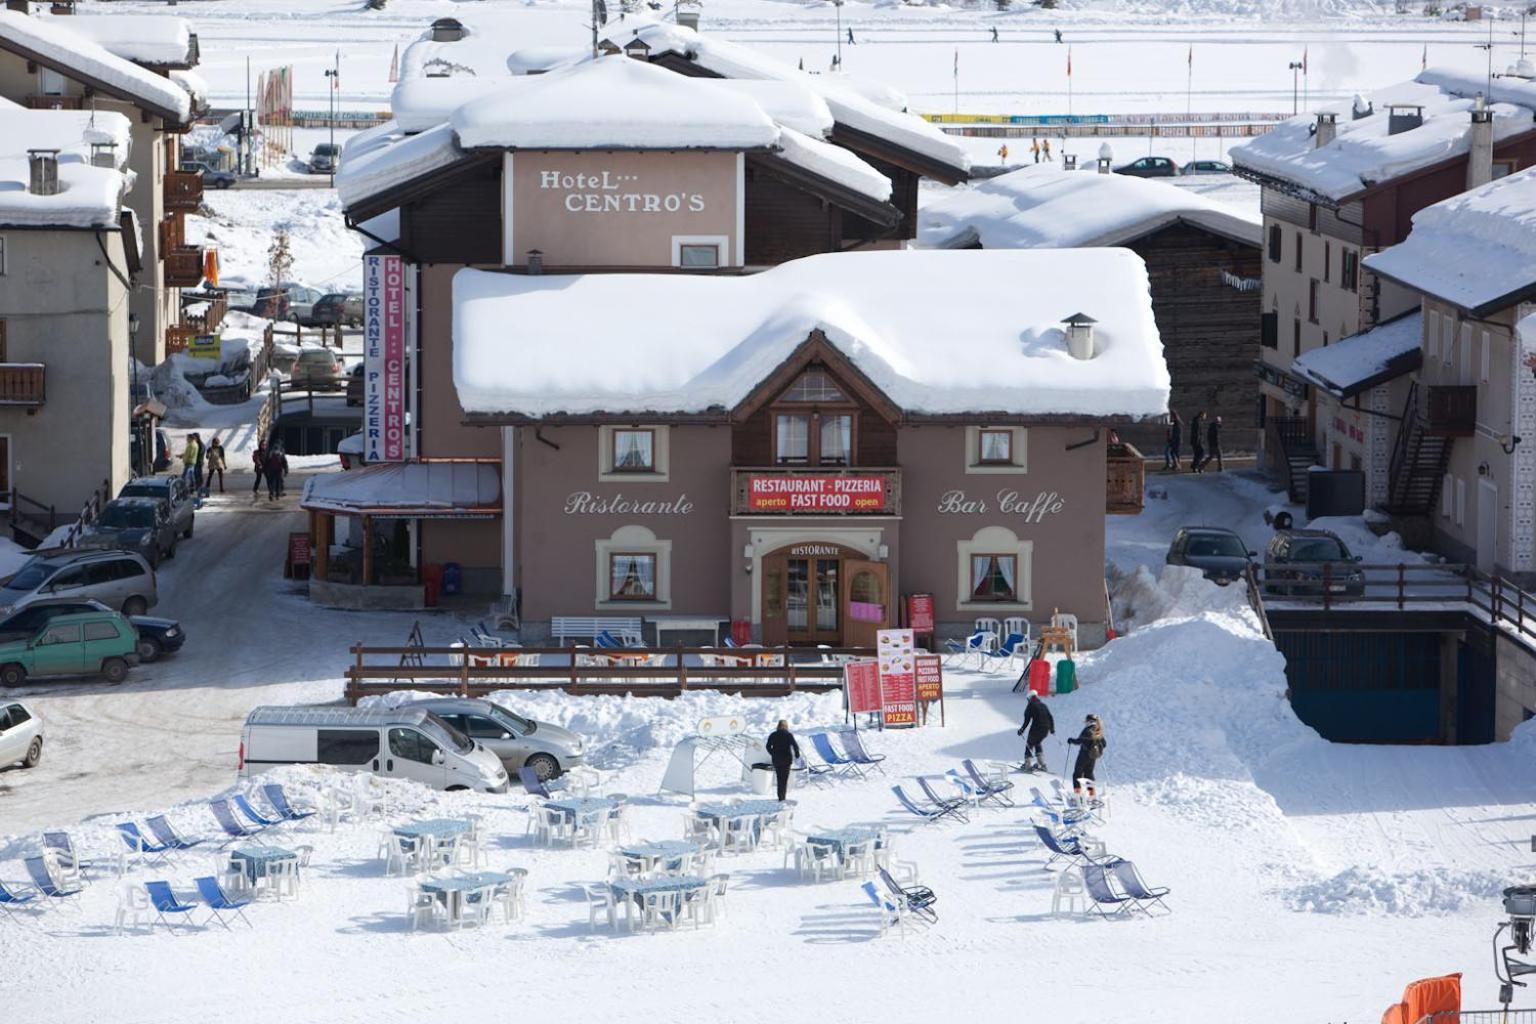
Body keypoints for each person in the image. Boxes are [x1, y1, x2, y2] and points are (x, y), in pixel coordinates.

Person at [1065, 713, 1106, 797]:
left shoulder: (1087, 730)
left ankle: (1078, 795)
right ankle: (1092, 795)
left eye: (1086, 721)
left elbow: (1079, 741)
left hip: (1083, 756)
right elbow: (1104, 744)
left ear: (1089, 721)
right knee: (1089, 774)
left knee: (1077, 774)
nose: (1085, 723)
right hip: (1093, 757)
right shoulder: (1098, 730)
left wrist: (1070, 740)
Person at [1016, 692, 1055, 771]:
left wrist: (1022, 730)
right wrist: (1052, 729)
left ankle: (1028, 765)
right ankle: (1042, 764)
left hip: (1036, 728)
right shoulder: (1043, 705)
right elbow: (1050, 717)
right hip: (1045, 730)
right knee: (1037, 742)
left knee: (1029, 744)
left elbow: (1027, 720)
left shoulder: (1030, 705)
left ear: (1030, 698)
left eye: (1028, 699)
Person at [764, 720, 801, 802]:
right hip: (786, 760)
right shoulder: (788, 735)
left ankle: (780, 797)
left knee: (779, 778)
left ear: (778, 726)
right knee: (784, 779)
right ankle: (782, 797)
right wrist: (797, 755)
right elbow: (795, 746)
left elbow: (767, 746)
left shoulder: (773, 735)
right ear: (786, 726)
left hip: (776, 759)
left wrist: (773, 753)